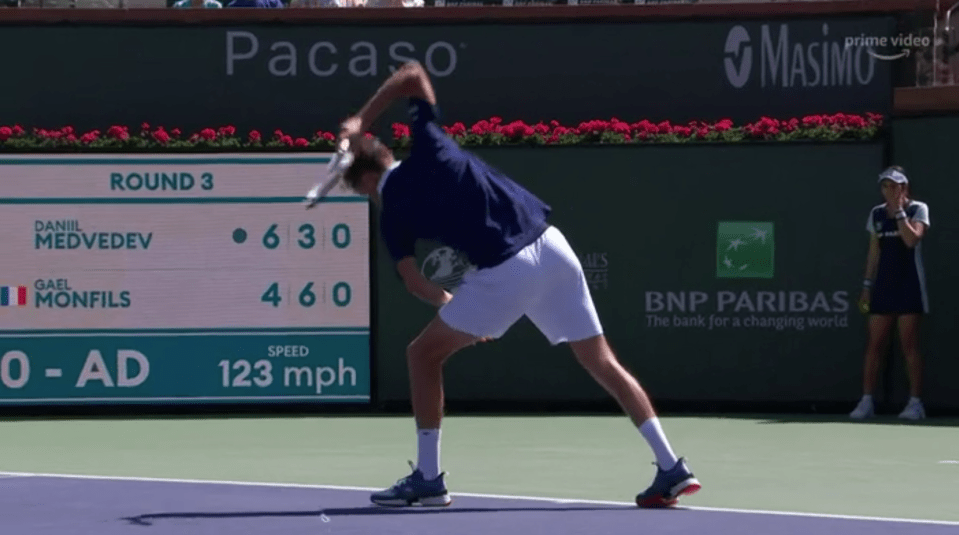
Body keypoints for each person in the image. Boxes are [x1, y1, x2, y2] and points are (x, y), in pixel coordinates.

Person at [335, 61, 701, 508]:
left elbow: (415, 282)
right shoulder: (430, 143)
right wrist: (362, 119)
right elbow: (412, 73)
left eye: (363, 192)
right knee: (603, 363)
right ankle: (671, 467)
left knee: (422, 354)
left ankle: (428, 477)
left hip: (506, 272)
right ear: (386, 154)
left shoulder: (392, 214)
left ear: (367, 182)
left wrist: (451, 303)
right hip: (554, 247)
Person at [850, 166, 930, 420]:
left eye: (894, 186)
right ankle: (866, 401)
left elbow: (911, 240)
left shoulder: (918, 209)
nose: (889, 190)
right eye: (885, 186)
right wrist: (866, 286)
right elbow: (874, 252)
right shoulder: (875, 214)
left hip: (910, 286)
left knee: (909, 345)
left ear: (904, 188)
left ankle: (916, 403)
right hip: (883, 287)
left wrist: (898, 212)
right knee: (874, 345)